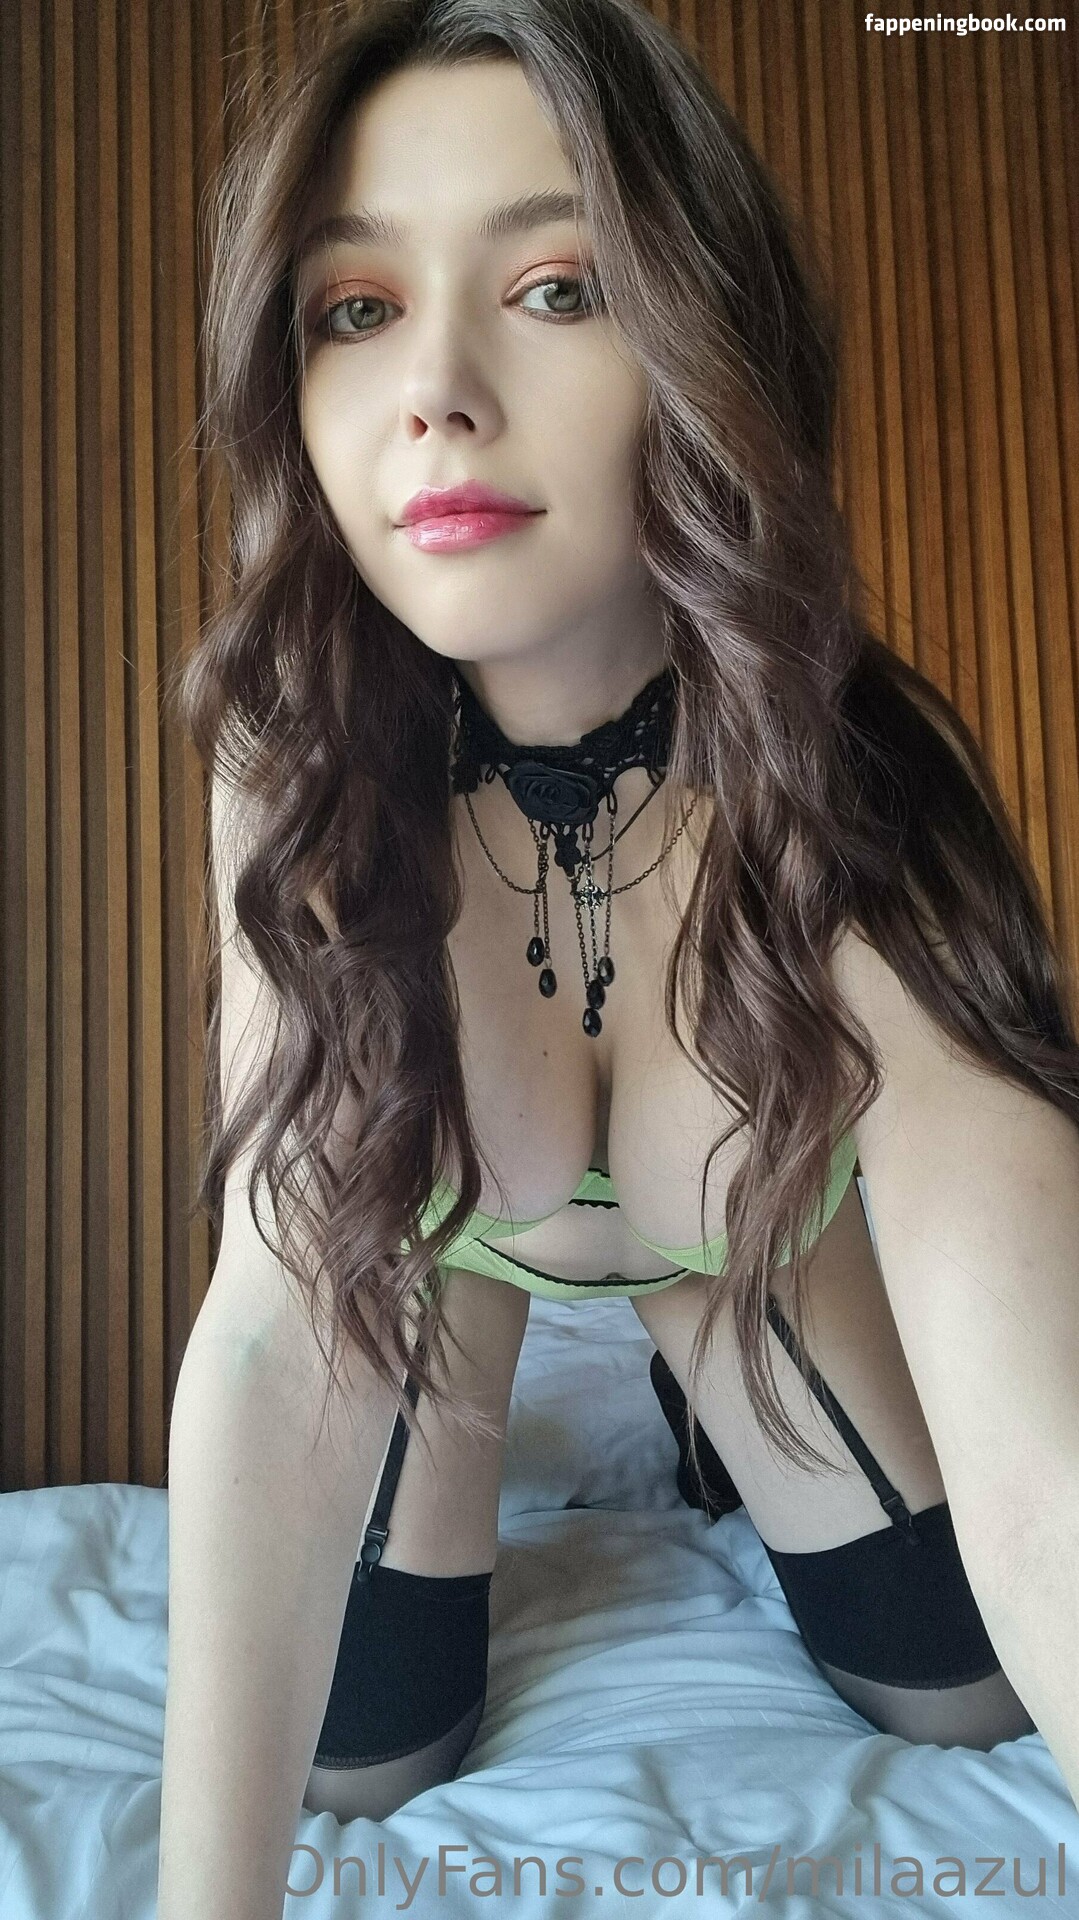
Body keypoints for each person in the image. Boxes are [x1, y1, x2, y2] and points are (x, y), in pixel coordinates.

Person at [158, 1, 1079, 1914]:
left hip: (748, 1266)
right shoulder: (300, 764)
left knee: (953, 1688)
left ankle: (692, 1327)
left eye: (558, 288)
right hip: (425, 1285)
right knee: (360, 1754)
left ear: (702, 336)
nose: (436, 392)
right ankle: (534, 1322)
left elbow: (1041, 1417)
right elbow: (272, 1319)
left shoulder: (844, 781)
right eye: (355, 308)